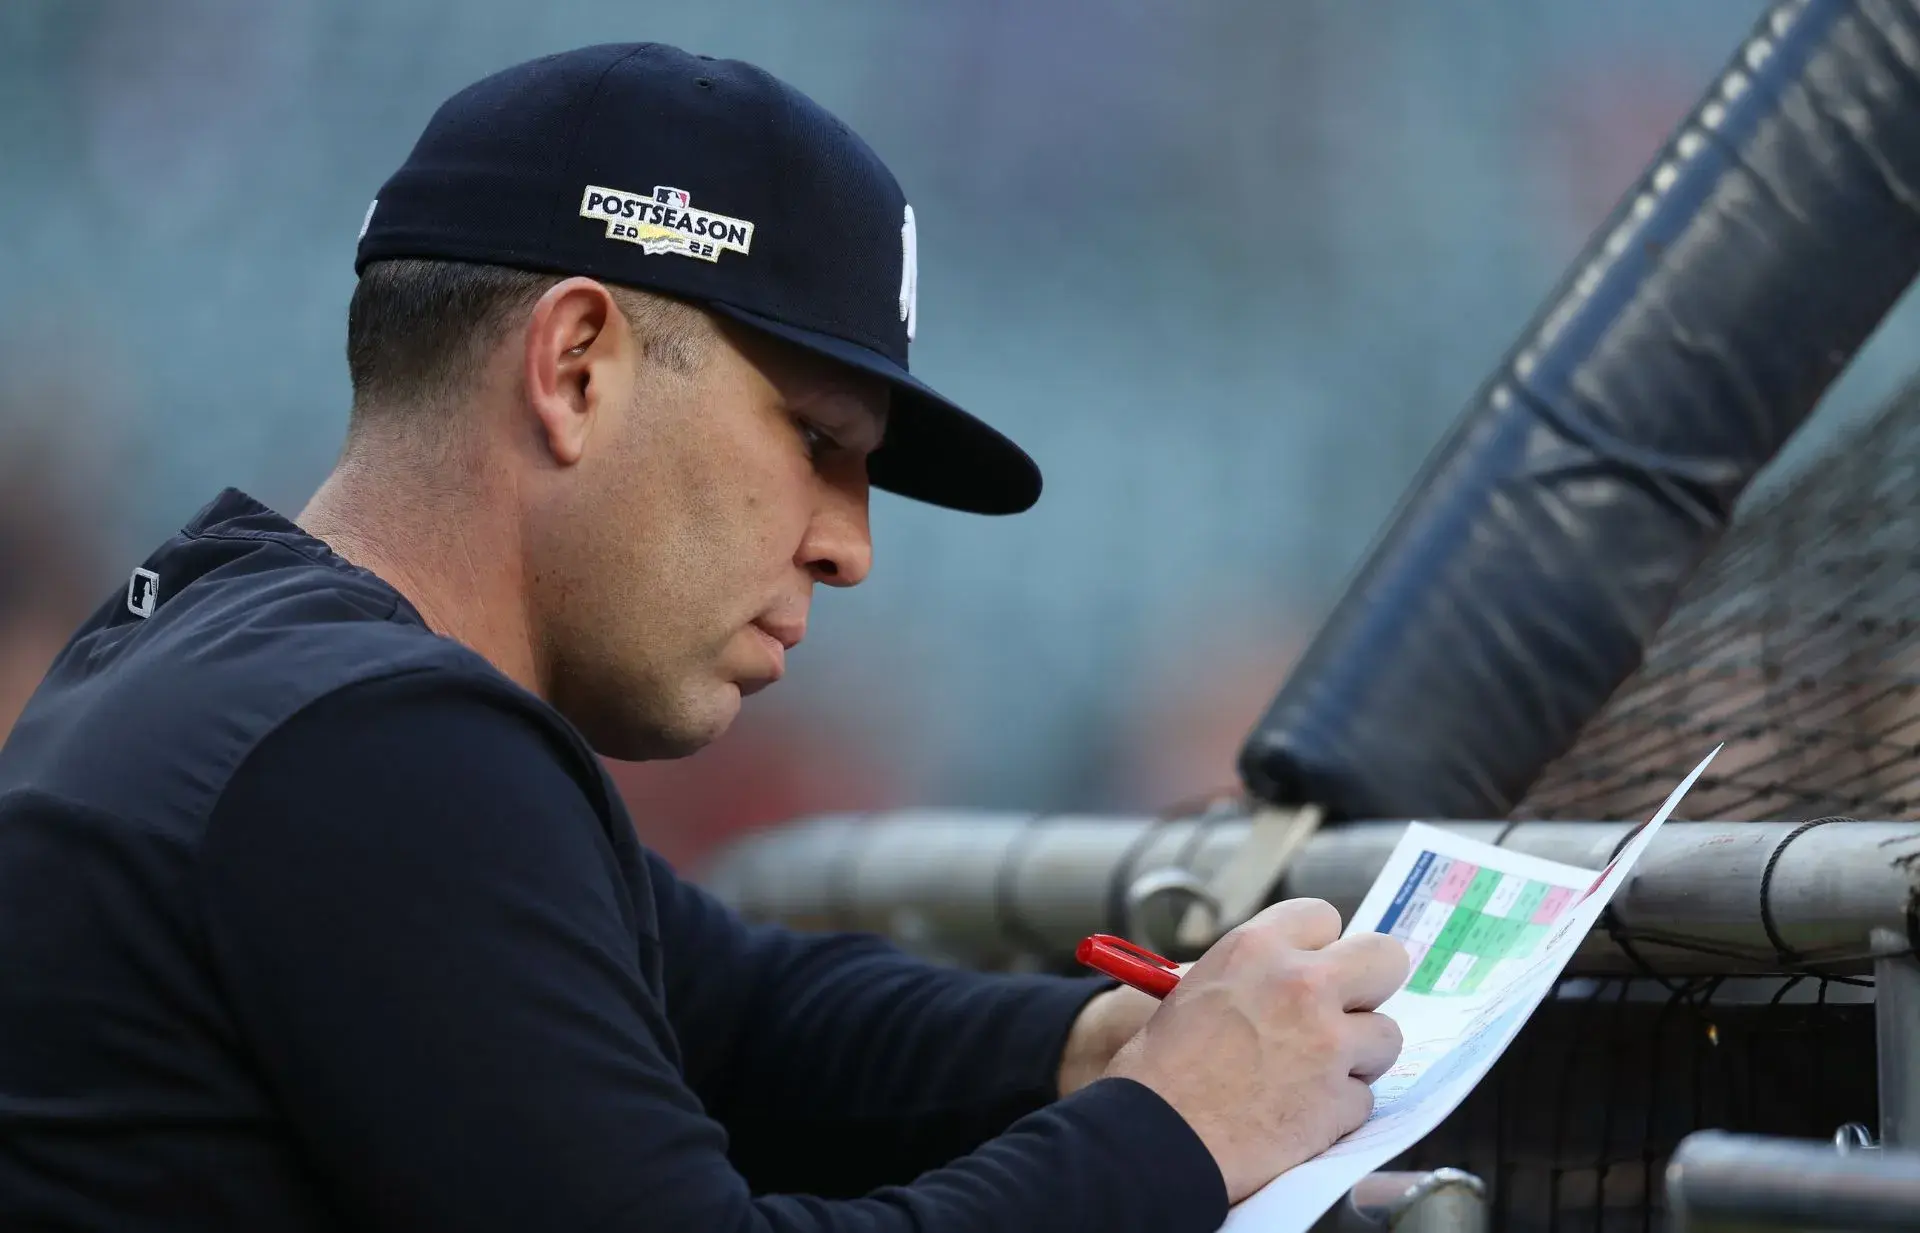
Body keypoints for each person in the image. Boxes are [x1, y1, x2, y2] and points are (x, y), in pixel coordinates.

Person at [0, 43, 1406, 1233]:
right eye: (813, 439)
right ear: (576, 367)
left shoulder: (239, 651)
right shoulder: (368, 744)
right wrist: (1175, 1127)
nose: (850, 545)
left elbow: (740, 1010)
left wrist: (1085, 1045)